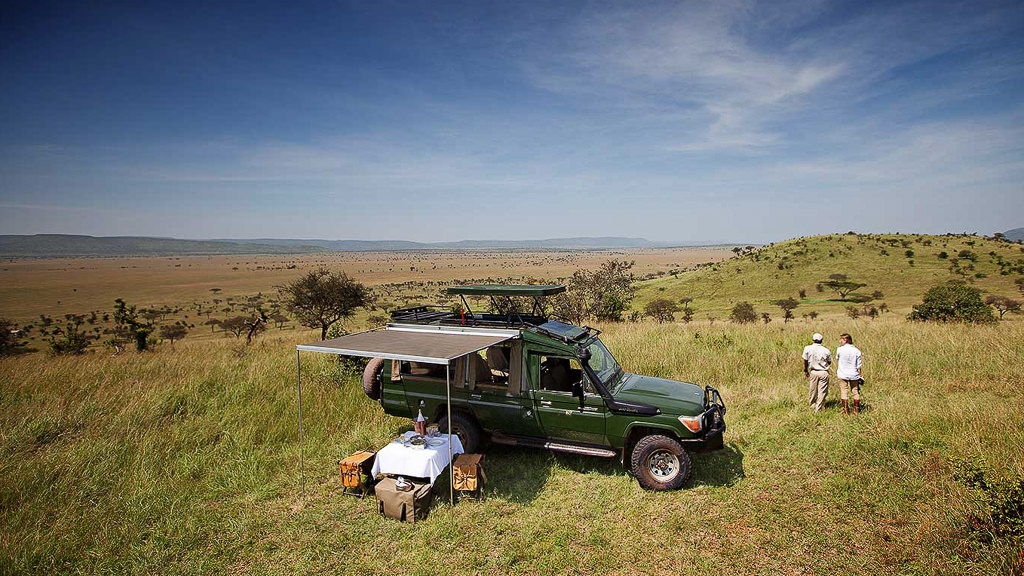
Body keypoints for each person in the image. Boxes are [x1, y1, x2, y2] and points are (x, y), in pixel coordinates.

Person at [802, 333, 831, 413]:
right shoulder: (826, 350)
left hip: (813, 371)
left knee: (812, 389)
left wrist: (805, 370)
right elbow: (829, 362)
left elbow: (805, 360)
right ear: (822, 340)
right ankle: (819, 408)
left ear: (813, 340)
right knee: (822, 391)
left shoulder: (807, 348)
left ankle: (812, 405)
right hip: (824, 372)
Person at [835, 333, 863, 415]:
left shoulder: (839, 349)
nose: (840, 341)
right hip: (854, 374)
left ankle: (845, 410)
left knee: (844, 391)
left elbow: (837, 358)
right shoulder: (857, 351)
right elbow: (859, 366)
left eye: (841, 339)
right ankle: (856, 411)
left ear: (845, 340)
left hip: (842, 373)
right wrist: (860, 376)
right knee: (855, 391)